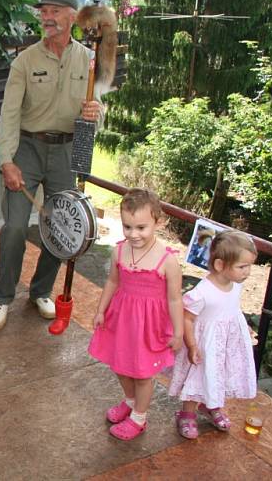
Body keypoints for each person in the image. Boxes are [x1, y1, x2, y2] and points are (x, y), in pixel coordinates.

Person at [0, 0, 104, 331]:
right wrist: (6, 160)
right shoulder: (26, 60)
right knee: (15, 228)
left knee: (61, 227)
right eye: (44, 11)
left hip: (67, 151)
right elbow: (9, 114)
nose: (47, 17)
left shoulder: (89, 60)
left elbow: (100, 111)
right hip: (27, 148)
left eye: (54, 11)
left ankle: (40, 291)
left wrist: (97, 112)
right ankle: (2, 296)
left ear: (71, 17)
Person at [87, 188, 184, 441]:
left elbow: (175, 299)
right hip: (121, 319)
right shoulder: (119, 251)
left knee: (142, 374)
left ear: (158, 222)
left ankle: (139, 417)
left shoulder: (167, 261)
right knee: (119, 365)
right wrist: (101, 310)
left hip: (149, 326)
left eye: (141, 227)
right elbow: (112, 282)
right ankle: (130, 401)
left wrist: (178, 331)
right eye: (127, 227)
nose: (133, 234)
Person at [168, 230, 258, 439]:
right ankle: (187, 413)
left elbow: (232, 308)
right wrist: (192, 346)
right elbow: (187, 318)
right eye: (242, 267)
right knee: (198, 377)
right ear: (220, 265)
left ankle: (212, 404)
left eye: (249, 266)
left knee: (220, 374)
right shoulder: (202, 293)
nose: (248, 272)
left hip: (226, 343)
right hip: (205, 344)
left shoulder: (236, 285)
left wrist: (242, 327)